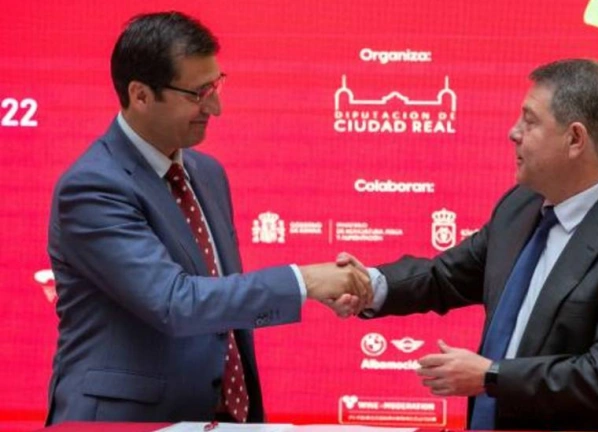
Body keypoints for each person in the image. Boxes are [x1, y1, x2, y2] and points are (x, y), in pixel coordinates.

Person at [46, 11, 370, 425]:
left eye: (216, 86)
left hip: (220, 418)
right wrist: (302, 282)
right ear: (140, 95)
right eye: (198, 93)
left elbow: (219, 303)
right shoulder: (93, 187)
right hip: (127, 420)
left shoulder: (207, 173)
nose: (215, 107)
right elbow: (175, 302)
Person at [339, 59, 598, 432]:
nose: (513, 132)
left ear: (575, 139)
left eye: (530, 121)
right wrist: (366, 285)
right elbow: (446, 276)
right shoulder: (520, 205)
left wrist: (492, 376)